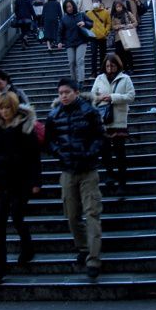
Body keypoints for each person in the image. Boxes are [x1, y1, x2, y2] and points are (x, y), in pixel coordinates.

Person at [45, 78, 104, 279]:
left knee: (92, 212)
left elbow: (100, 137)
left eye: (67, 92)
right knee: (71, 214)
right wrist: (58, 152)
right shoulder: (54, 115)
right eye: (61, 93)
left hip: (88, 169)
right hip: (67, 170)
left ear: (76, 92)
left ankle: (94, 258)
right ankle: (82, 247)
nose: (64, 96)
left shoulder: (89, 112)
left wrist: (90, 154)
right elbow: (49, 140)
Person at [0, 92, 41, 284]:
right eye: (1, 108)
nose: (5, 112)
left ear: (14, 108)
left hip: (21, 180)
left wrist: (36, 181)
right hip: (0, 180)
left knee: (16, 216)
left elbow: (34, 156)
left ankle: (27, 246)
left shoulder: (25, 125)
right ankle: (0, 265)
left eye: (8, 108)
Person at [91, 54, 135, 194]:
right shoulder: (99, 78)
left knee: (120, 153)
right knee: (105, 152)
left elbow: (131, 96)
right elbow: (92, 97)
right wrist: (100, 98)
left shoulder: (125, 78)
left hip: (119, 120)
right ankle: (110, 174)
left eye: (113, 65)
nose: (110, 69)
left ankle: (122, 182)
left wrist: (113, 97)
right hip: (103, 120)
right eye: (108, 66)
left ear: (118, 65)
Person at [58, 0, 93, 88]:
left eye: (70, 6)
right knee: (71, 62)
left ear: (73, 5)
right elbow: (60, 31)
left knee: (79, 60)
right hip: (69, 43)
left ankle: (81, 81)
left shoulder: (81, 14)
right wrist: (60, 42)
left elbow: (91, 23)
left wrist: (84, 23)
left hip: (81, 41)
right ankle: (74, 80)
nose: (69, 8)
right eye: (67, 7)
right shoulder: (64, 18)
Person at [86, 0, 111, 79]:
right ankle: (93, 73)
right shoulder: (89, 13)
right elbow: (87, 24)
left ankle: (102, 72)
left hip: (103, 37)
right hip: (93, 37)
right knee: (93, 55)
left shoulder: (106, 12)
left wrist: (106, 31)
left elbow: (108, 23)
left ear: (100, 3)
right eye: (93, 2)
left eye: (96, 1)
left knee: (103, 55)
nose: (95, 3)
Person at [111, 1, 137, 73]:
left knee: (128, 53)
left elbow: (135, 22)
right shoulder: (114, 16)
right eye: (117, 7)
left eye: (120, 6)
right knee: (120, 53)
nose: (118, 8)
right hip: (118, 37)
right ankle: (124, 68)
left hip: (127, 35)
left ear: (122, 6)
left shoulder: (127, 13)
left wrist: (129, 25)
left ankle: (131, 68)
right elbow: (112, 26)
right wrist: (119, 26)